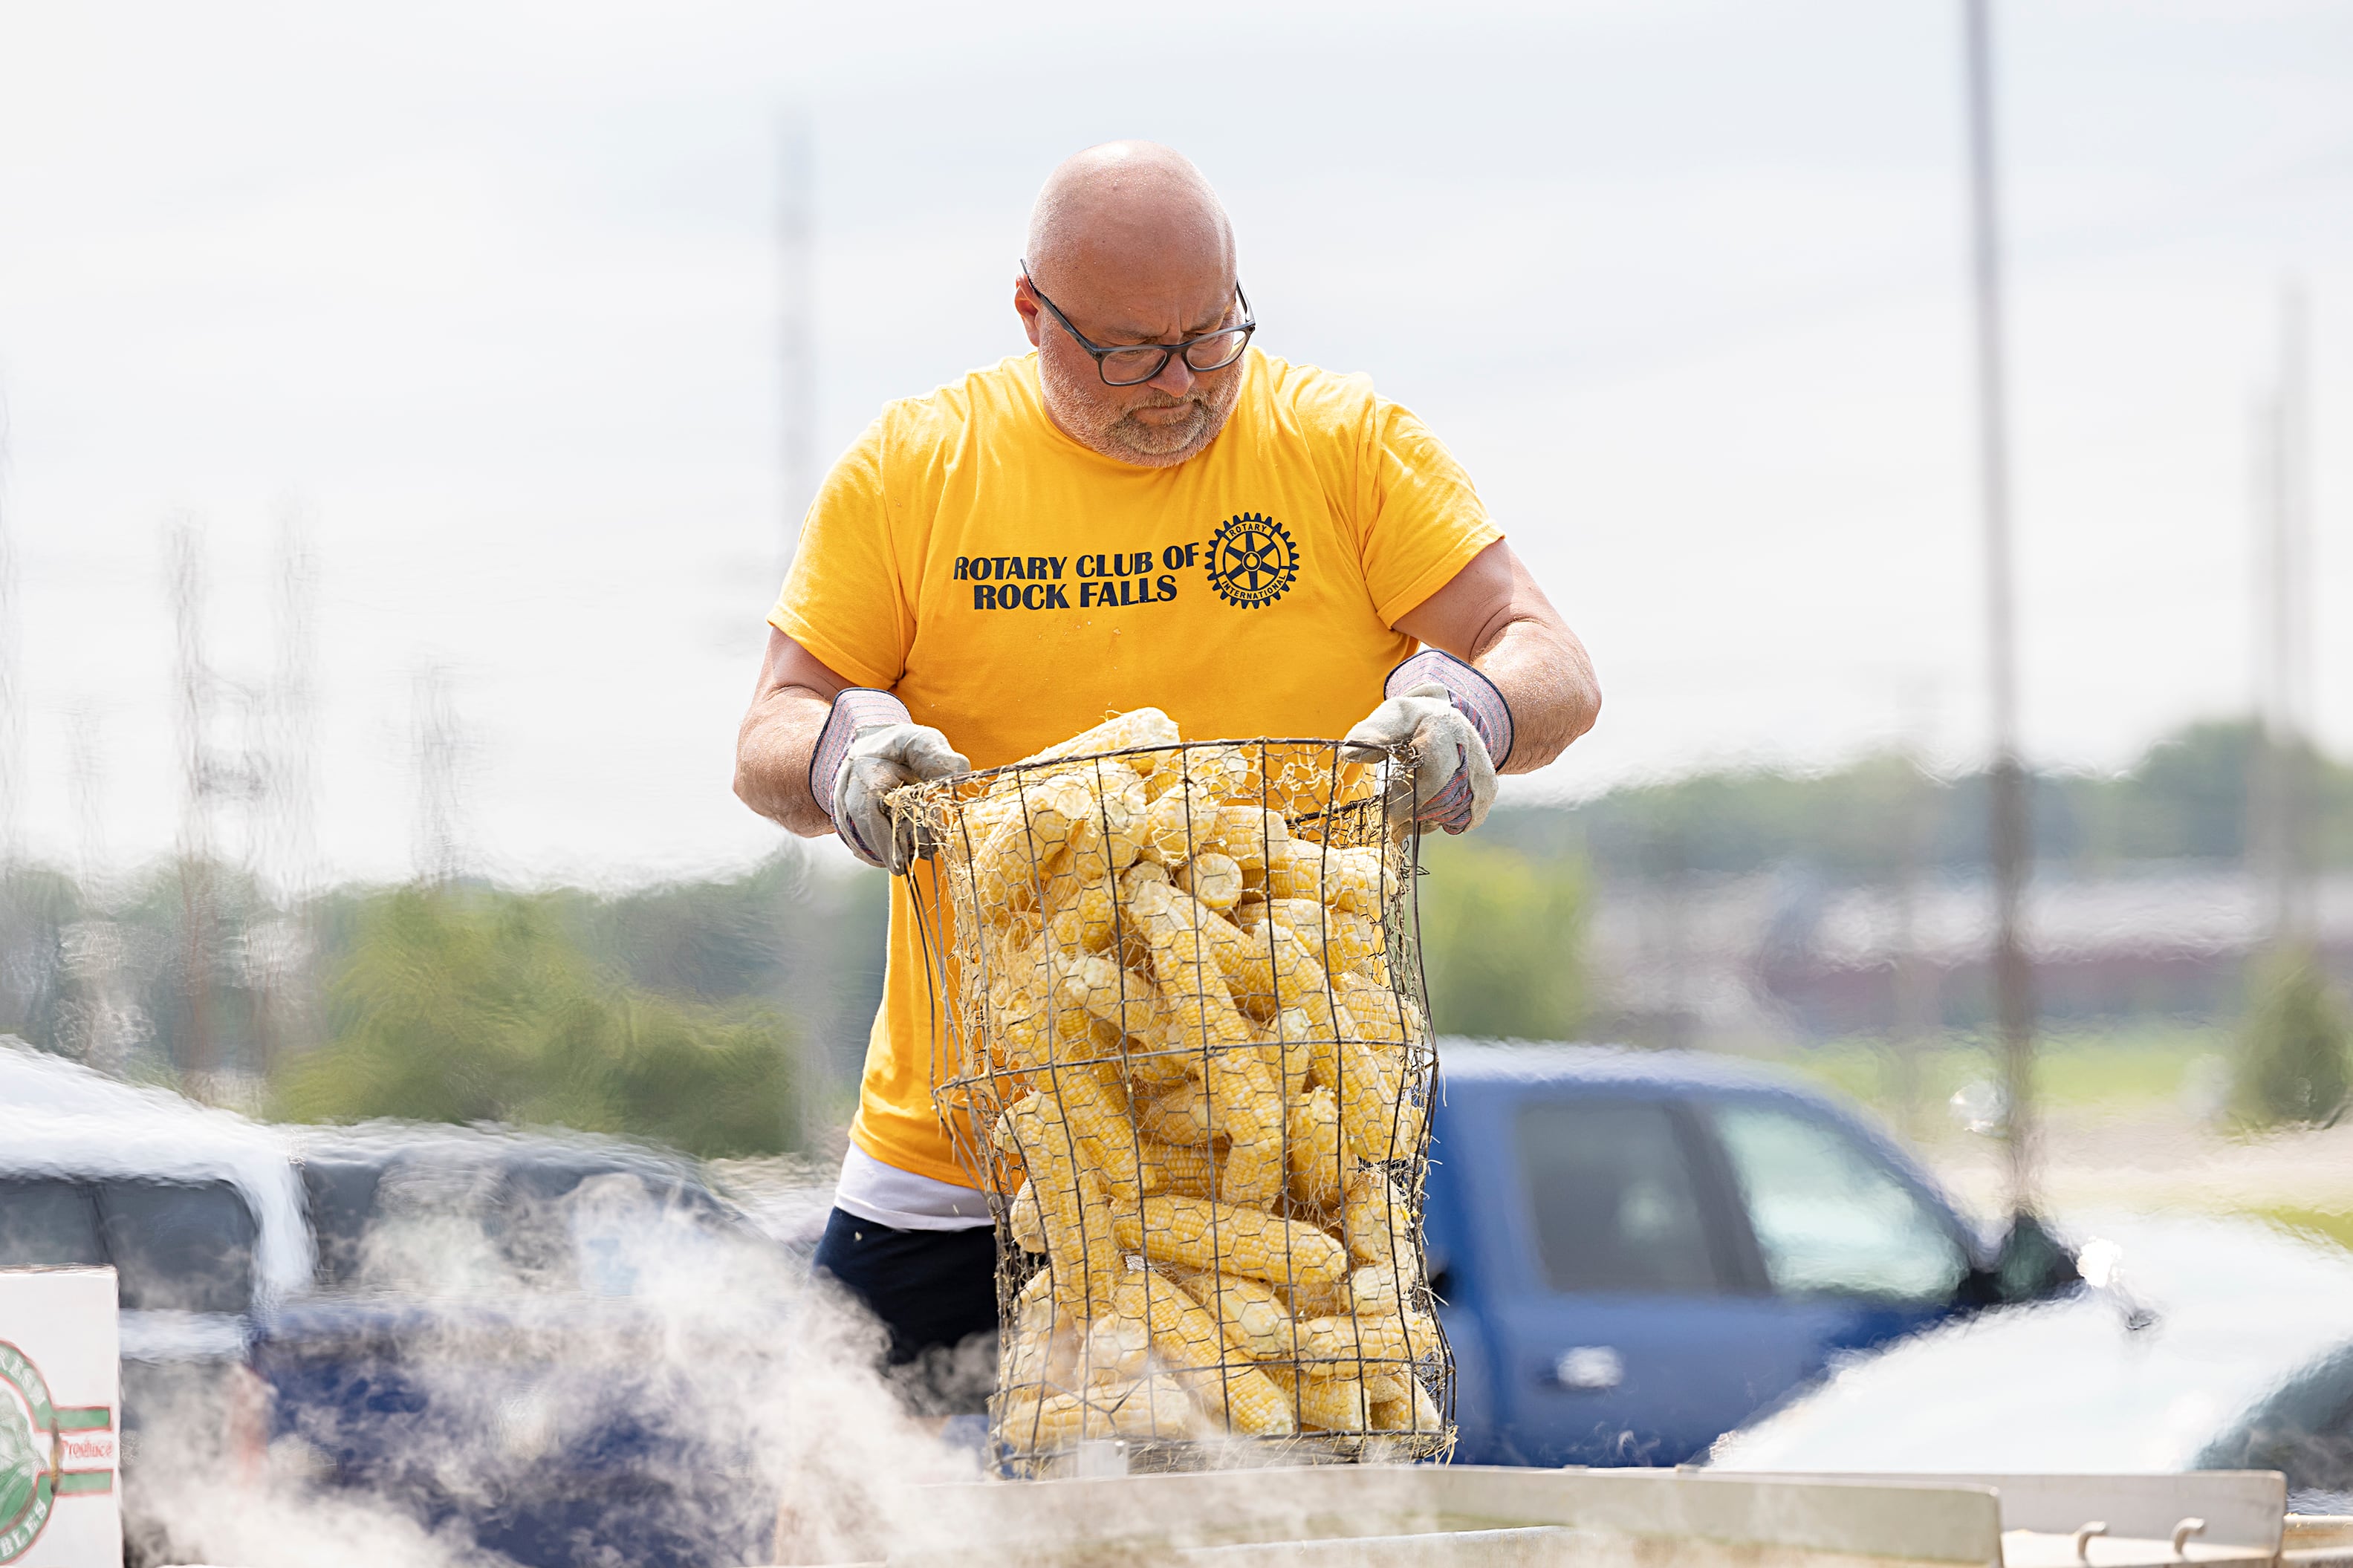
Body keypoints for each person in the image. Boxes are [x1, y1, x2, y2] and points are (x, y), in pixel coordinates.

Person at [733, 141, 1599, 1399]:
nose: (1183, 386)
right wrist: (838, 759)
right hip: (966, 1126)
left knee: (1248, 1501)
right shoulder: (916, 471)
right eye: (1133, 351)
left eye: (1212, 338)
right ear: (1032, 313)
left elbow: (1551, 657)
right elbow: (771, 725)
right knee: (829, 1473)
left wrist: (1474, 704)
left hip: (1275, 1128)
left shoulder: (1344, 446)